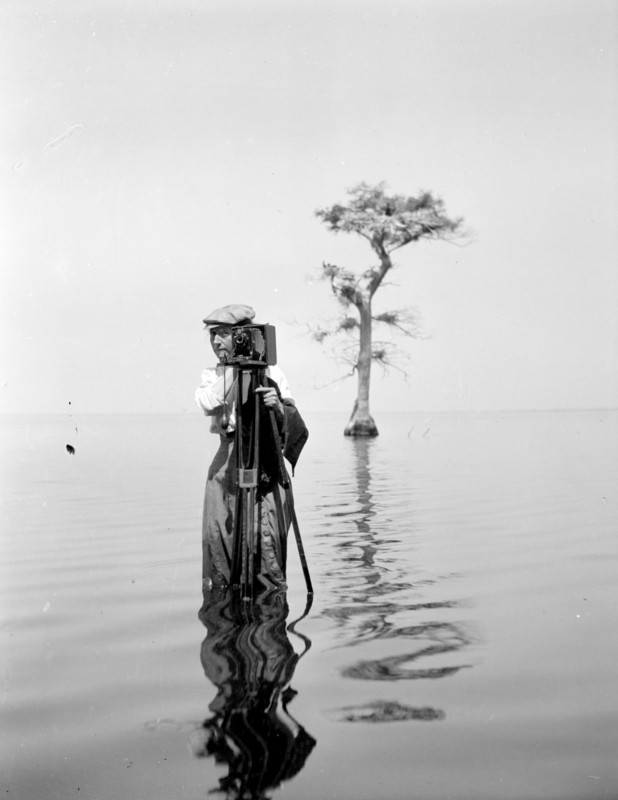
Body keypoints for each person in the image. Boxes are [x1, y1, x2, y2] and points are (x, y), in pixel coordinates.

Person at [195, 304, 308, 592]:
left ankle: (268, 600)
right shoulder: (213, 374)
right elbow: (208, 402)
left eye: (224, 334)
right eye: (213, 335)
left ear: (244, 335)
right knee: (221, 531)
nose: (216, 342)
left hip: (263, 456)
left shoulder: (273, 372)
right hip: (228, 459)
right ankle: (225, 599)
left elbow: (292, 419)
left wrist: (277, 405)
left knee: (264, 529)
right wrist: (236, 369)